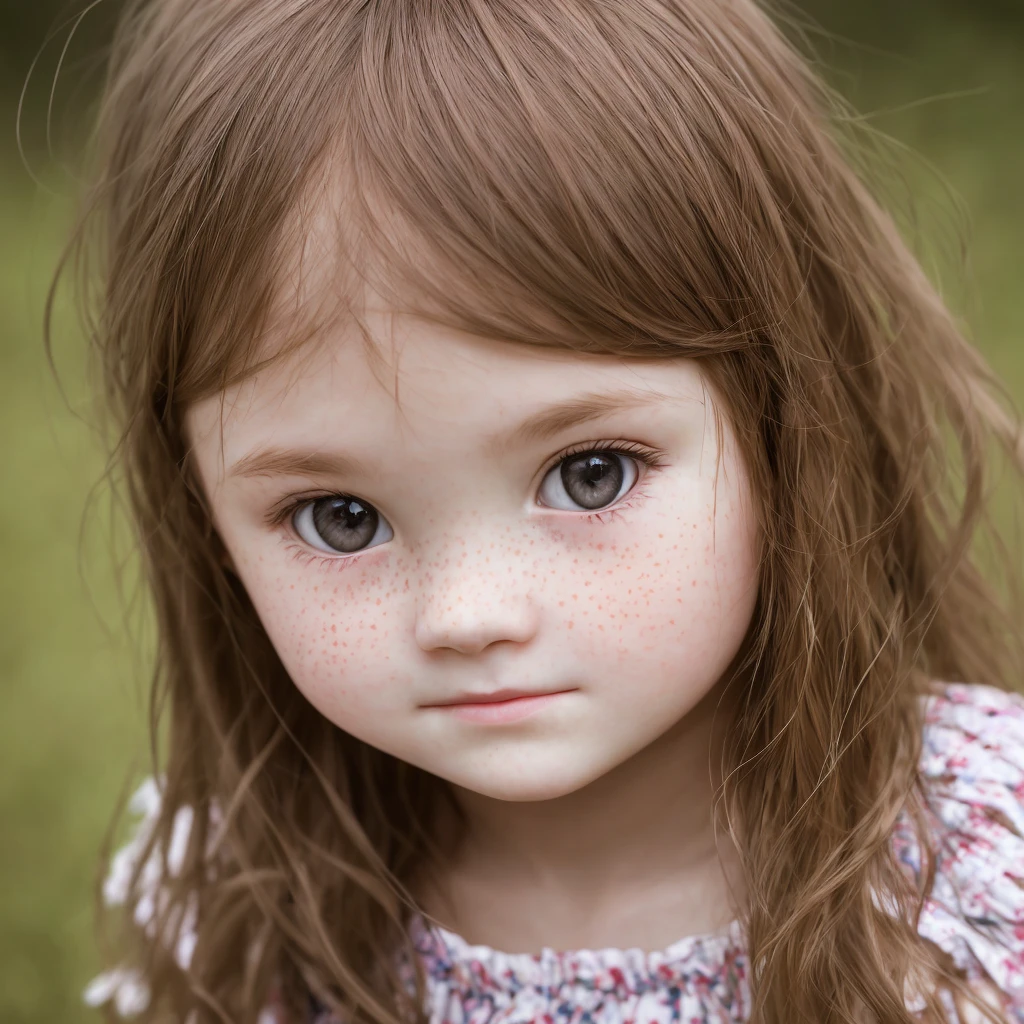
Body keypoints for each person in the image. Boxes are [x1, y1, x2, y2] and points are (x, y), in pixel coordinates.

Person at [54, 0, 1024, 1021]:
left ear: (788, 418)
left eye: (590, 473)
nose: (468, 615)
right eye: (340, 517)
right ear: (203, 518)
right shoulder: (252, 906)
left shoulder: (978, 872)